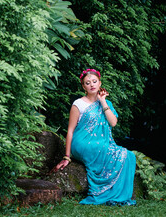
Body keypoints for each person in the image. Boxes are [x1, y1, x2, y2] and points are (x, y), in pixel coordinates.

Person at [50, 68, 136, 206]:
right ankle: (101, 192)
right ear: (83, 86)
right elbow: (70, 131)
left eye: (94, 81)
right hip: (81, 143)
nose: (92, 85)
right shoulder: (78, 104)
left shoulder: (105, 103)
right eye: (87, 83)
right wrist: (67, 156)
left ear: (99, 83)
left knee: (129, 156)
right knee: (104, 149)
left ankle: (116, 194)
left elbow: (113, 123)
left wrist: (102, 101)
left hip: (100, 142)